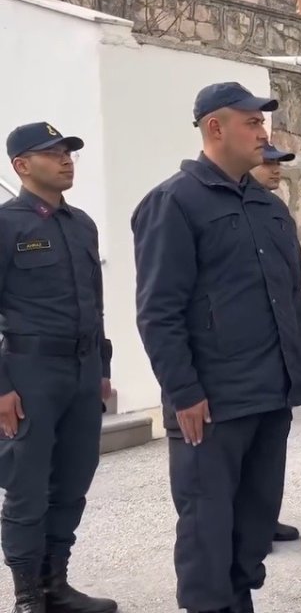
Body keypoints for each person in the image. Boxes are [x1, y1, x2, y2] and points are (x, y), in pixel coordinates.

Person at [131, 82, 301, 613]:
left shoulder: (268, 207)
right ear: (216, 127)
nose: (264, 132)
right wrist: (184, 392)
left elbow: (291, 298)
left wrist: (292, 380)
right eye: (252, 122)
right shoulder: (173, 203)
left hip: (270, 396)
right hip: (211, 406)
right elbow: (159, 311)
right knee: (207, 536)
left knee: (253, 530)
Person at [0, 123, 116, 613]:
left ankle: (55, 585)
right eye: (52, 153)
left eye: (68, 151)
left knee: (73, 480)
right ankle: (28, 597)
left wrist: (103, 368)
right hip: (30, 372)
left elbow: (96, 303)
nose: (66, 160)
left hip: (83, 371)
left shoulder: (81, 224)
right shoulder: (7, 225)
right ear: (22, 166)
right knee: (27, 486)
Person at [247, 143, 301, 548]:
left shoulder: (276, 209)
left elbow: (292, 279)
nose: (275, 169)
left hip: (279, 350)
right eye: (268, 162)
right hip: (246, 351)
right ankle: (247, 526)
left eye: (278, 163)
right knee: (245, 448)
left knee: (271, 447)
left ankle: (264, 517)